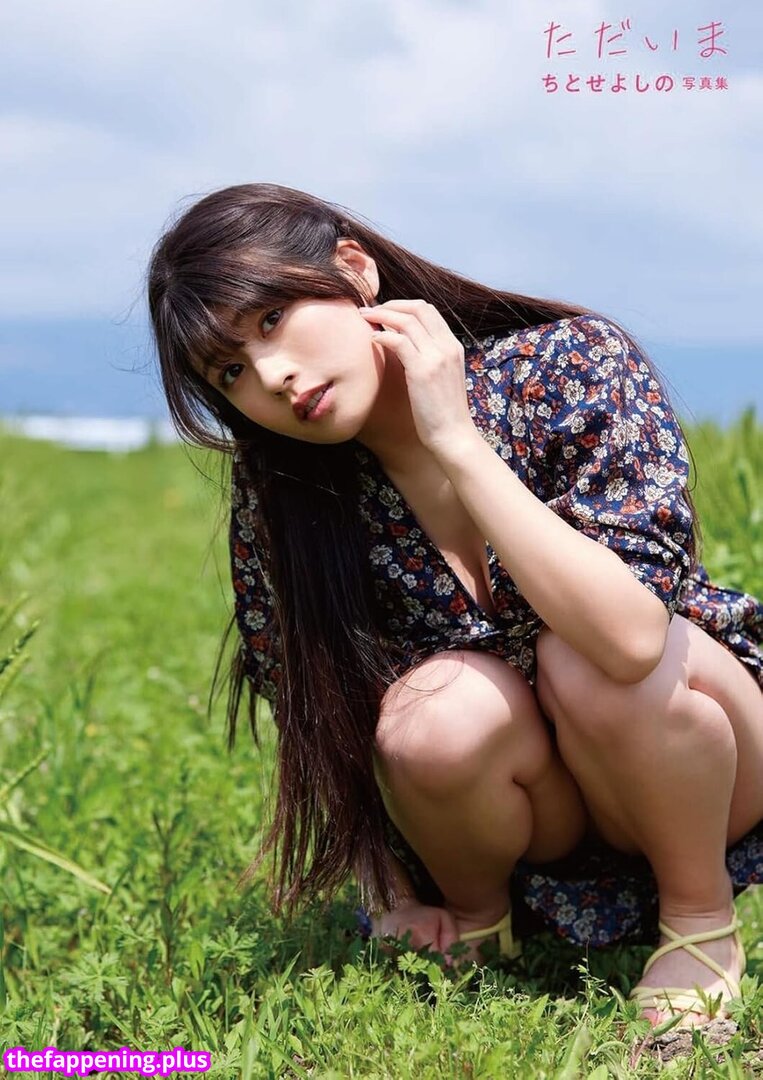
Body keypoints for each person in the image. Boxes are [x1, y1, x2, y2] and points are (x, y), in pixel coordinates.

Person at [146, 182, 763, 1030]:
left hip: (694, 755)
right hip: (533, 815)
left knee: (580, 655)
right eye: (230, 371)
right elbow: (318, 710)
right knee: (431, 714)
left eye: (272, 320)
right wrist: (392, 893)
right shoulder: (285, 493)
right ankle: (480, 921)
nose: (271, 375)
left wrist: (454, 440)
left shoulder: (568, 364)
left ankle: (697, 919)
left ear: (353, 270)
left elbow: (629, 641)